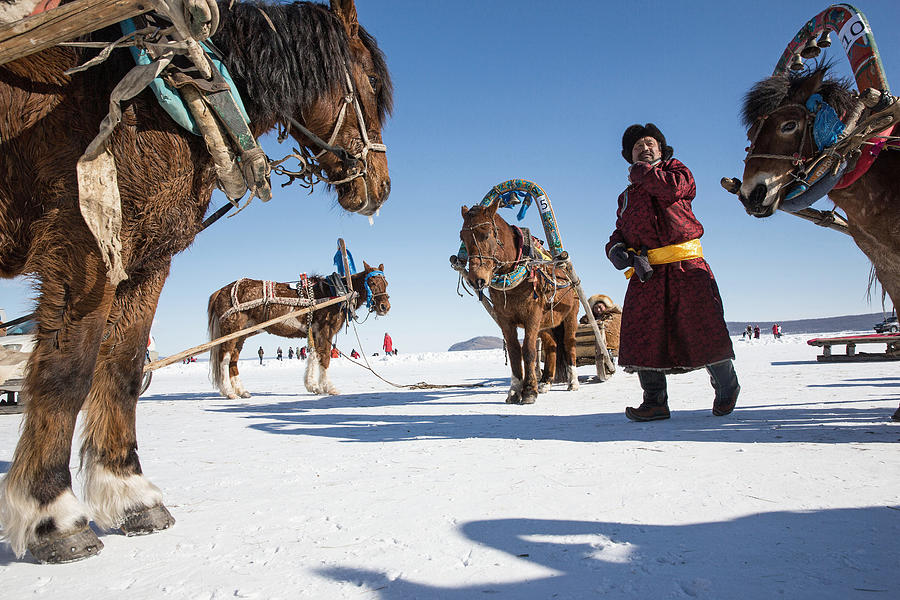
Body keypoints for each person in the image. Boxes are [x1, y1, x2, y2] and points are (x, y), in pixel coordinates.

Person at [606, 123, 740, 422]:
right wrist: (617, 250)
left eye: (650, 143)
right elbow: (621, 230)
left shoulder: (678, 172)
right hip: (647, 273)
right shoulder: (626, 196)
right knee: (643, 334)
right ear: (629, 155)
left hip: (685, 267)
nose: (645, 147)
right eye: (637, 146)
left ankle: (727, 387)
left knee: (704, 327)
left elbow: (671, 190)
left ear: (661, 148)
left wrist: (643, 172)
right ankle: (654, 402)